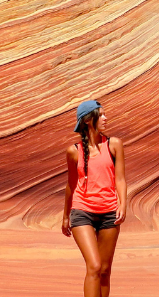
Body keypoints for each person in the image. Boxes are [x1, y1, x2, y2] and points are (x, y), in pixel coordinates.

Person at [62, 100, 127, 297]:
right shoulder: (74, 151)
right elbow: (71, 185)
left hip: (109, 212)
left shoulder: (114, 144)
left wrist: (123, 203)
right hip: (82, 212)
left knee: (105, 270)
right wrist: (66, 216)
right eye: (102, 114)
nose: (106, 118)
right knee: (95, 265)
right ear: (89, 120)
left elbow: (121, 179)